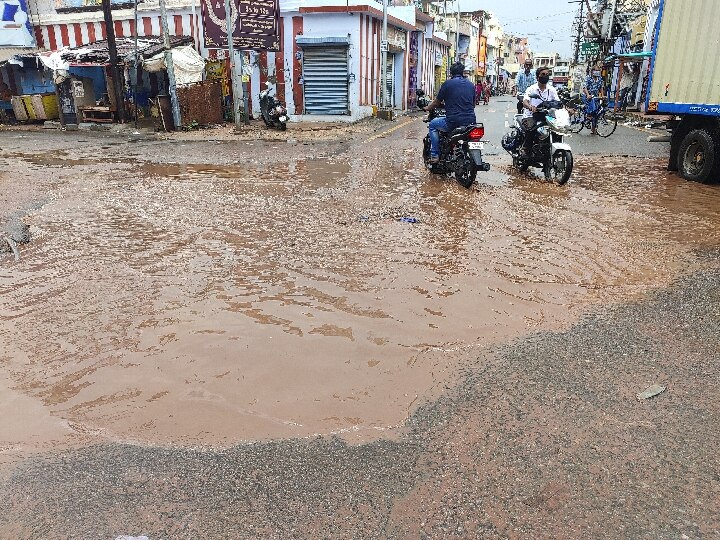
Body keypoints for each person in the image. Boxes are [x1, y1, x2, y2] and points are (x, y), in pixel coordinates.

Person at [424, 61, 477, 164]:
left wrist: (427, 108)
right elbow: (473, 104)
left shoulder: (447, 84)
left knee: (433, 125)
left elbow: (436, 102)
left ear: (451, 73)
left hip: (453, 122)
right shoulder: (471, 85)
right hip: (471, 122)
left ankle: (435, 155)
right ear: (462, 72)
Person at [520, 67, 559, 157]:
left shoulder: (551, 89)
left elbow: (558, 102)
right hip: (530, 116)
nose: (545, 76)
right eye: (543, 74)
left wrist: (567, 109)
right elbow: (525, 101)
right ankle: (525, 149)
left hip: (546, 117)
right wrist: (530, 106)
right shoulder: (531, 89)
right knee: (532, 128)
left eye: (547, 74)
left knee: (557, 129)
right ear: (538, 77)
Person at [583, 64, 605, 134]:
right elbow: (584, 88)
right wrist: (588, 95)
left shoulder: (600, 78)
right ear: (592, 71)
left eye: (598, 70)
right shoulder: (588, 78)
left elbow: (601, 87)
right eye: (595, 70)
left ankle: (594, 128)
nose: (597, 72)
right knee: (592, 108)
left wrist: (602, 95)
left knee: (597, 113)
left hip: (596, 97)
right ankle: (587, 117)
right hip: (588, 96)